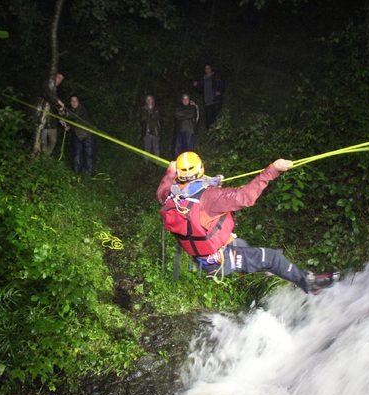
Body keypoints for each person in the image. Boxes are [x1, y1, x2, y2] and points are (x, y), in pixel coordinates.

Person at [157, 152, 339, 294]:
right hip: (221, 261)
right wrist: (272, 170)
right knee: (272, 258)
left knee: (243, 246)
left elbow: (162, 188)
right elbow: (245, 197)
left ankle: (268, 267)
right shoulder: (211, 198)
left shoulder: (170, 196)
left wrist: (170, 172)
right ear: (201, 169)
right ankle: (310, 284)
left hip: (206, 257)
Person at [37, 72, 68, 155]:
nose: (60, 80)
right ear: (54, 76)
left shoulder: (57, 91)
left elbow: (57, 111)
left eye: (61, 79)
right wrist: (57, 101)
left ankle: (45, 158)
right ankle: (41, 159)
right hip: (43, 120)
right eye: (58, 77)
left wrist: (63, 121)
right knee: (43, 143)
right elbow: (47, 93)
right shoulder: (46, 84)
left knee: (52, 142)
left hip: (52, 122)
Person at [68, 95, 95, 176]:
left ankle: (89, 174)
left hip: (87, 135)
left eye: (75, 100)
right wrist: (68, 127)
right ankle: (76, 173)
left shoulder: (81, 109)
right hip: (77, 135)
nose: (73, 102)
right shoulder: (71, 110)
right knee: (77, 154)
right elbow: (73, 123)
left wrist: (64, 112)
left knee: (88, 154)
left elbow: (75, 117)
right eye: (72, 101)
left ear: (78, 102)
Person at [193, 64, 224, 128]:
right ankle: (210, 135)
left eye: (208, 68)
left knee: (216, 118)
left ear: (211, 68)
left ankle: (217, 134)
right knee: (208, 121)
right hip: (207, 102)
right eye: (206, 68)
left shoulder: (215, 76)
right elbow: (200, 89)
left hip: (215, 100)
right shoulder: (203, 78)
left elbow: (222, 84)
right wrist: (196, 85)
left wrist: (219, 91)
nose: (207, 69)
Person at [139, 95, 161, 162]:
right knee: (147, 149)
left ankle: (157, 163)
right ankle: (146, 164)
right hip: (147, 132)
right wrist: (151, 117)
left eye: (150, 99)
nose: (149, 100)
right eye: (147, 99)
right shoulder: (143, 109)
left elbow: (158, 118)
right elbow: (143, 119)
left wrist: (150, 117)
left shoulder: (157, 109)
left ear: (153, 100)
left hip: (155, 132)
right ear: (146, 101)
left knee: (156, 149)